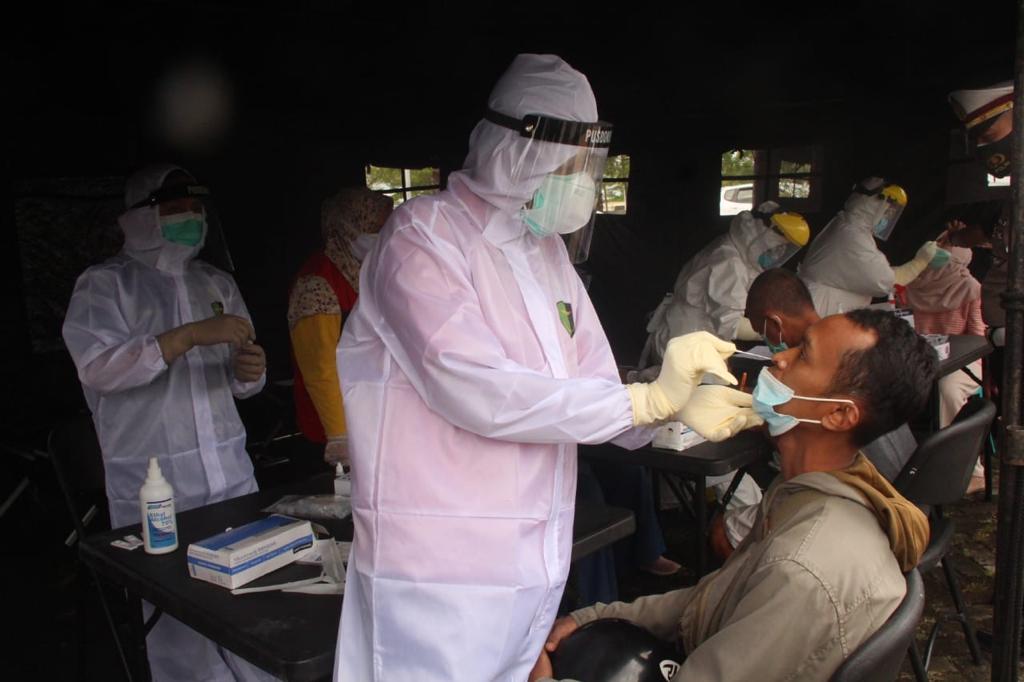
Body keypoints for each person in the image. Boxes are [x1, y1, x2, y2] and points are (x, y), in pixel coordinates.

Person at [332, 53, 742, 682]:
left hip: (533, 558)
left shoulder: (545, 252)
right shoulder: (423, 238)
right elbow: (474, 387)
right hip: (439, 573)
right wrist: (643, 404)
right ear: (515, 150)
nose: (582, 182)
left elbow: (595, 387)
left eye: (589, 166)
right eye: (572, 164)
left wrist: (673, 412)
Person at [532, 310, 935, 682]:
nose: (779, 358)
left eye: (803, 356)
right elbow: (711, 600)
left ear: (838, 414)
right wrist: (596, 615)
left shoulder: (802, 570)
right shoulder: (804, 494)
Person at [62, 164, 275, 681]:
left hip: (227, 471)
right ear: (141, 217)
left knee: (250, 602)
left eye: (197, 210)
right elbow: (98, 368)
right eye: (177, 209)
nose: (192, 218)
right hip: (155, 484)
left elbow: (237, 377)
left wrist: (250, 372)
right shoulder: (106, 285)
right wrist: (184, 337)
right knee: (178, 618)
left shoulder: (215, 282)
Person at [287, 186, 392, 465]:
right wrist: (339, 435)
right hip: (336, 432)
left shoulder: (367, 272)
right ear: (349, 226)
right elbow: (320, 368)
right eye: (375, 227)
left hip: (374, 420)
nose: (383, 235)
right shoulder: (318, 282)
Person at [648, 201, 810, 359]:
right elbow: (730, 323)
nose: (776, 255)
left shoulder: (737, 253)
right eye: (775, 248)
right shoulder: (728, 261)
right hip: (687, 339)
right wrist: (773, 331)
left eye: (782, 250)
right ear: (761, 233)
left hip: (697, 338)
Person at [799, 177, 944, 316]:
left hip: (821, 308)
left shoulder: (847, 226)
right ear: (876, 204)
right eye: (888, 210)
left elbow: (874, 271)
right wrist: (920, 262)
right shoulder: (852, 235)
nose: (888, 217)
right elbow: (884, 281)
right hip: (823, 310)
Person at [743, 267, 820, 354]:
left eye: (764, 334)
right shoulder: (832, 340)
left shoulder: (821, 358)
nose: (778, 359)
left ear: (775, 323)